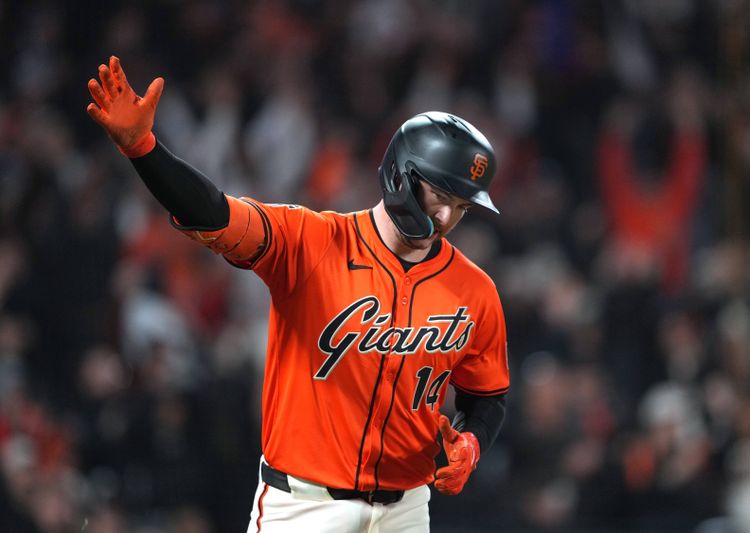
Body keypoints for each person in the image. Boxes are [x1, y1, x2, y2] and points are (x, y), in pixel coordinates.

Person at [87, 56, 509, 532]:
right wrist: (145, 151)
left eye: (461, 206)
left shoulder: (475, 290)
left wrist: (471, 444)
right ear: (403, 175)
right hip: (305, 506)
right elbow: (214, 214)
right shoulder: (310, 242)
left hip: (407, 510)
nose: (448, 219)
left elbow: (487, 396)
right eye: (441, 196)